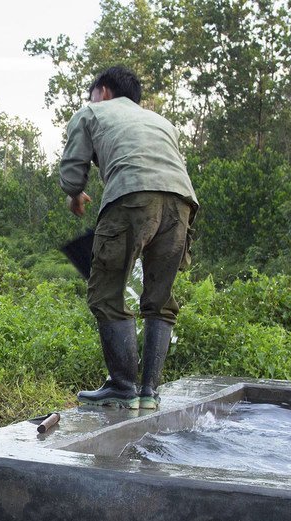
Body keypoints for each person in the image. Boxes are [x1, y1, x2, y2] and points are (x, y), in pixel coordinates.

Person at [59, 66, 198, 410]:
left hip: (131, 197)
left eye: (92, 93)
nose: (90, 100)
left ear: (103, 91)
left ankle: (122, 387)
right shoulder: (162, 122)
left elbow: (72, 169)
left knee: (105, 292)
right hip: (181, 204)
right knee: (160, 300)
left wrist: (75, 194)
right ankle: (149, 391)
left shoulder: (93, 110)